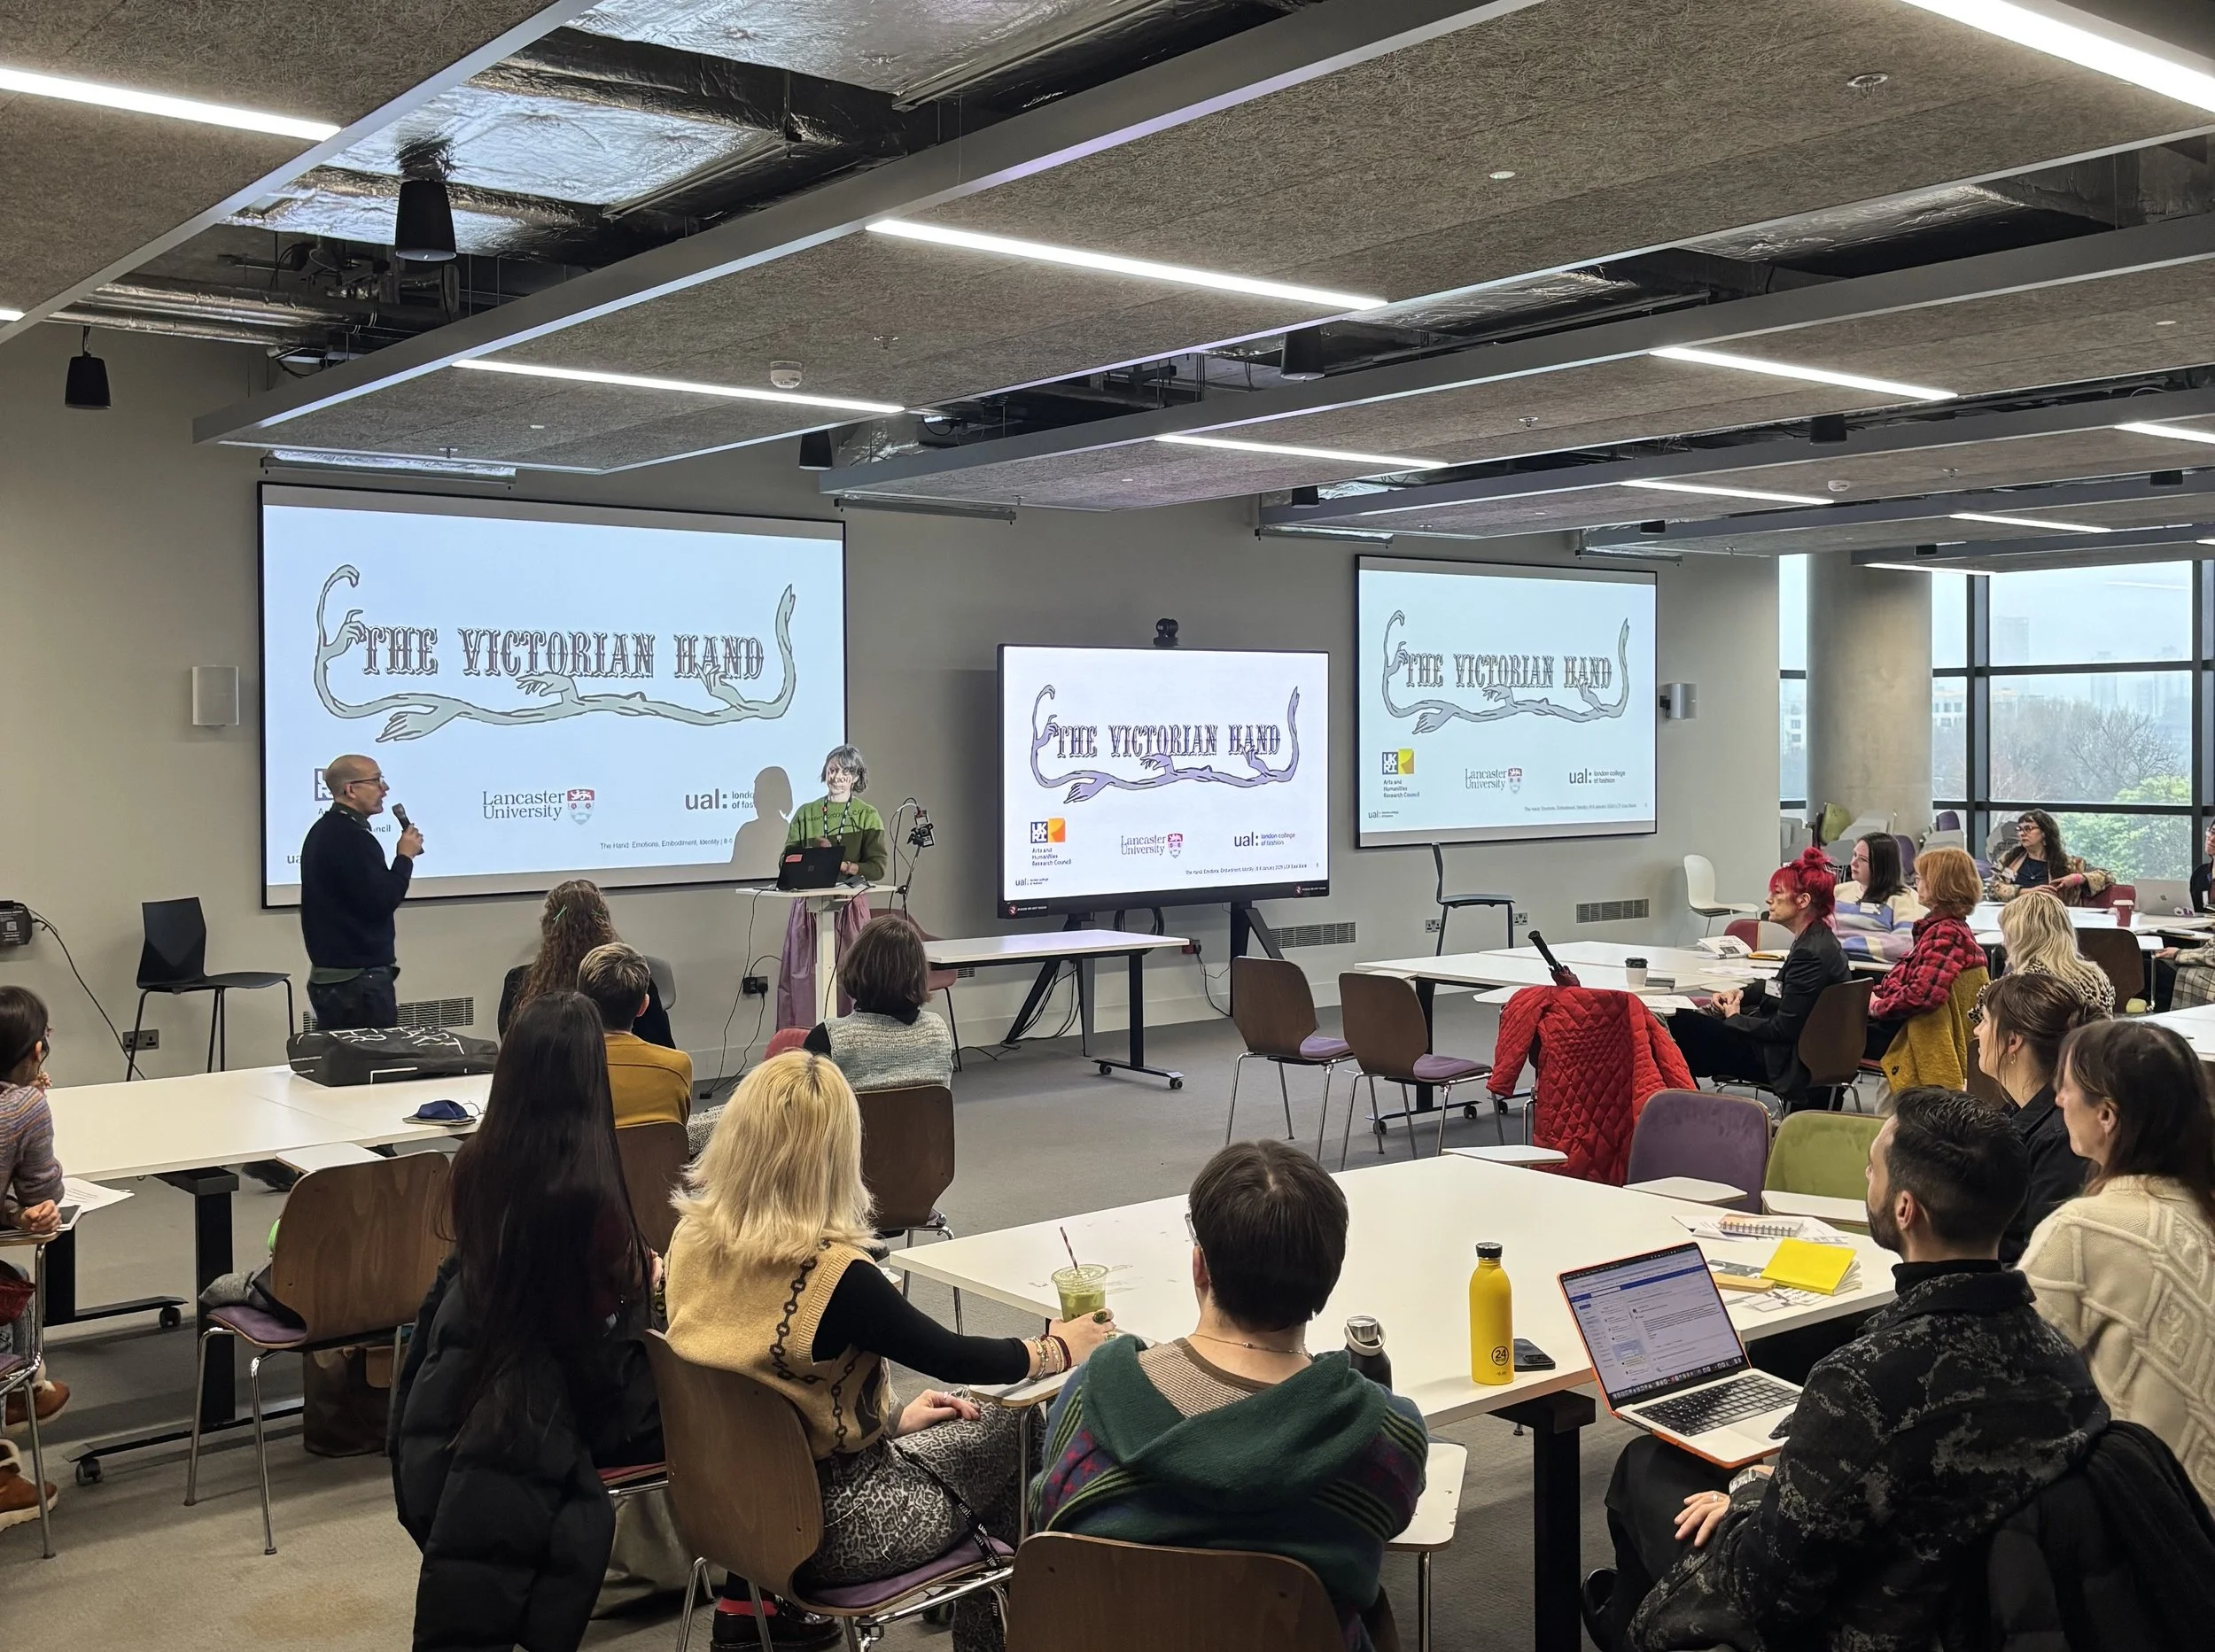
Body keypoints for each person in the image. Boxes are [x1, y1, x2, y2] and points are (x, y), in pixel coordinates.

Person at [1589, 1088, 2107, 1652]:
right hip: (1974, 1611)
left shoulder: (1867, 1379)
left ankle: (1625, 1626)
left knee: (1646, 1466)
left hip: (1872, 1622)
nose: (1867, 1178)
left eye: (1874, 1169)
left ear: (1905, 1209)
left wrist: (1745, 1495)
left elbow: (1770, 1590)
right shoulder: (2062, 1358)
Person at [664, 1051, 1113, 1652]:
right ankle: (991, 1631)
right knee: (1017, 1422)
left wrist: (892, 1420)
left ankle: (755, 1606)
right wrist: (1055, 1346)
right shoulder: (834, 1275)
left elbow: (761, 1382)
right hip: (834, 1529)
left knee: (960, 1413)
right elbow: (955, 1356)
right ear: (834, 1158)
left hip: (725, 1505)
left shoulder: (689, 1239)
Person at [1033, 1142, 1429, 1650]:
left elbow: (1050, 1519)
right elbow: (1388, 1523)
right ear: (1327, 1285)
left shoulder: (1088, 1397)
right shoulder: (1380, 1437)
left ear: (1200, 1267)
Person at [390, 993, 663, 1652]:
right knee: (723, 1391)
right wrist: (643, 1290)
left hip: (485, 1380)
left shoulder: (475, 1167)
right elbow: (593, 1354)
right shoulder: (590, 1193)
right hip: (568, 1400)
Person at [2022, 1019, 2215, 1509]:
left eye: (2066, 1088)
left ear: (2106, 1115)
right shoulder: (2199, 1210)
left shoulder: (2088, 1229)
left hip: (2150, 1520)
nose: (2059, 1101)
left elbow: (2005, 1379)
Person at [1667, 848, 1851, 1108]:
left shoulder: (1810, 953)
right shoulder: (1816, 941)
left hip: (1784, 1060)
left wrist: (1735, 1019)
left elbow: (1783, 1028)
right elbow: (1777, 986)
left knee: (1679, 1024)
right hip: (1798, 1052)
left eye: (1777, 893)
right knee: (1690, 1024)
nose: (1768, 900)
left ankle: (1686, 1109)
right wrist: (1740, 994)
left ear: (1803, 901)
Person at [0, 987, 67, 1530]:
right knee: (12, 1285)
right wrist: (31, 1214)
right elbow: (42, 1188)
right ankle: (16, 1393)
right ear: (36, 1051)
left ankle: (23, 1394)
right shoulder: (23, 1105)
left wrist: (14, 1216)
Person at [1973, 973, 2095, 1264]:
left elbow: (2043, 1259)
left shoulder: (2062, 1139)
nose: (1977, 1031)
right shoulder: (2015, 1113)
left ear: (2012, 1041)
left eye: (1985, 1021)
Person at [300, 753, 421, 1030]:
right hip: (358, 983)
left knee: (343, 1063)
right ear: (350, 789)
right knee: (372, 1065)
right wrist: (404, 858)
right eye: (376, 780)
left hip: (335, 978)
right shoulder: (352, 838)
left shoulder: (324, 831)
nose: (385, 789)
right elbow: (382, 900)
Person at [774, 746, 889, 1032]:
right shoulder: (806, 813)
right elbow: (785, 859)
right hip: (809, 910)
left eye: (846, 771)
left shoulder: (867, 815)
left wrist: (846, 866)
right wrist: (812, 860)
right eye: (833, 769)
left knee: (852, 977)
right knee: (803, 979)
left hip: (849, 908)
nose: (838, 777)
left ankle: (854, 1040)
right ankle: (805, 1045)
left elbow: (877, 867)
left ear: (856, 777)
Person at [500, 880, 673, 1049]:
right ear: (605, 924)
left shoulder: (519, 983)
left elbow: (511, 1046)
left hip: (545, 1077)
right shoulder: (631, 982)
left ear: (549, 926)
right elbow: (662, 1047)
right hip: (621, 1076)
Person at [802, 915, 953, 1091]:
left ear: (857, 965)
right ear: (919, 972)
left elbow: (808, 1110)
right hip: (924, 1120)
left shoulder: (828, 1038)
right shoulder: (937, 1030)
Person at [1861, 846, 1985, 1062]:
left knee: (1819, 1031)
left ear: (1941, 885)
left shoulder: (1946, 934)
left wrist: (1875, 1006)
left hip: (1908, 1035)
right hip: (1905, 1027)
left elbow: (1922, 994)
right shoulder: (1942, 929)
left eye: (1921, 878)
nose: (1915, 882)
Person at [578, 942, 691, 1130]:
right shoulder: (678, 1065)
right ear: (643, 1006)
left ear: (583, 1004)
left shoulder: (564, 1068)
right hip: (659, 1159)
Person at [1997, 888, 2115, 1017]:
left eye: (2007, 936)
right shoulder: (2096, 978)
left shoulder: (2019, 985)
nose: (2003, 943)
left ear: (2021, 939)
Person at [1990, 809, 2110, 906]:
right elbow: (1992, 889)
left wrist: (2078, 878)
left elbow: (2107, 876)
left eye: (2028, 829)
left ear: (2045, 833)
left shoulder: (2071, 864)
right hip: (2016, 919)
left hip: (2055, 923)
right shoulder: (2009, 860)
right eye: (2019, 829)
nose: (2021, 833)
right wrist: (2025, 892)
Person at [1836, 832, 1923, 923]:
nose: (1853, 863)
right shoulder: (1839, 891)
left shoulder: (1905, 898)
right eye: (1854, 855)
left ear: (1881, 866)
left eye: (1863, 859)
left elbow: (1905, 935)